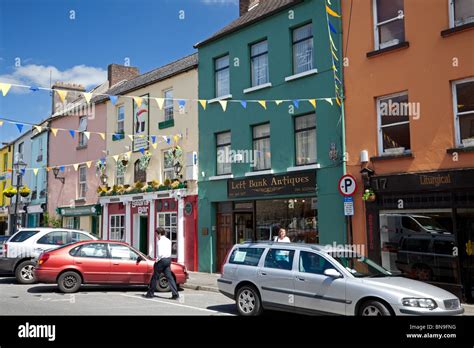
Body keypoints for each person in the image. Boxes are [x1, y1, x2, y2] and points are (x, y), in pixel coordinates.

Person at [144, 228, 179, 300]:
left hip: (161, 260)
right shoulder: (169, 241)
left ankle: (150, 294)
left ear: (159, 234)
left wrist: (157, 260)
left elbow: (159, 253)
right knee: (169, 277)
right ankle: (175, 294)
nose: (156, 235)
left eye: (156, 234)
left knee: (155, 277)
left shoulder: (160, 242)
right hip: (168, 259)